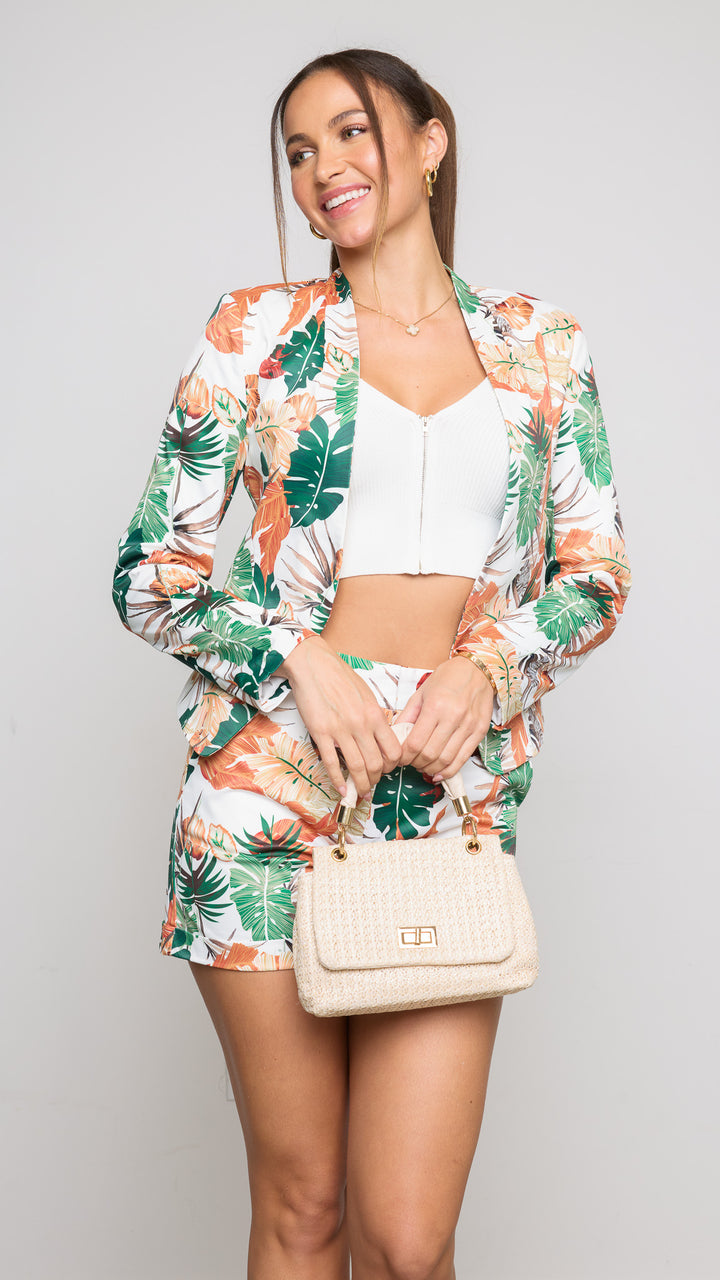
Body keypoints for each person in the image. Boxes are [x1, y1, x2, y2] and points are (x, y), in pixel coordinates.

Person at [112, 46, 632, 1280]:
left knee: (407, 1237)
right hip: (262, 795)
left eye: (351, 132)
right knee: (305, 1211)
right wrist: (295, 654)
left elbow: (595, 575)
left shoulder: (541, 346)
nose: (323, 168)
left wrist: (490, 664)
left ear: (429, 142)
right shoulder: (255, 333)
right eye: (299, 151)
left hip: (441, 802)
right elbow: (149, 570)